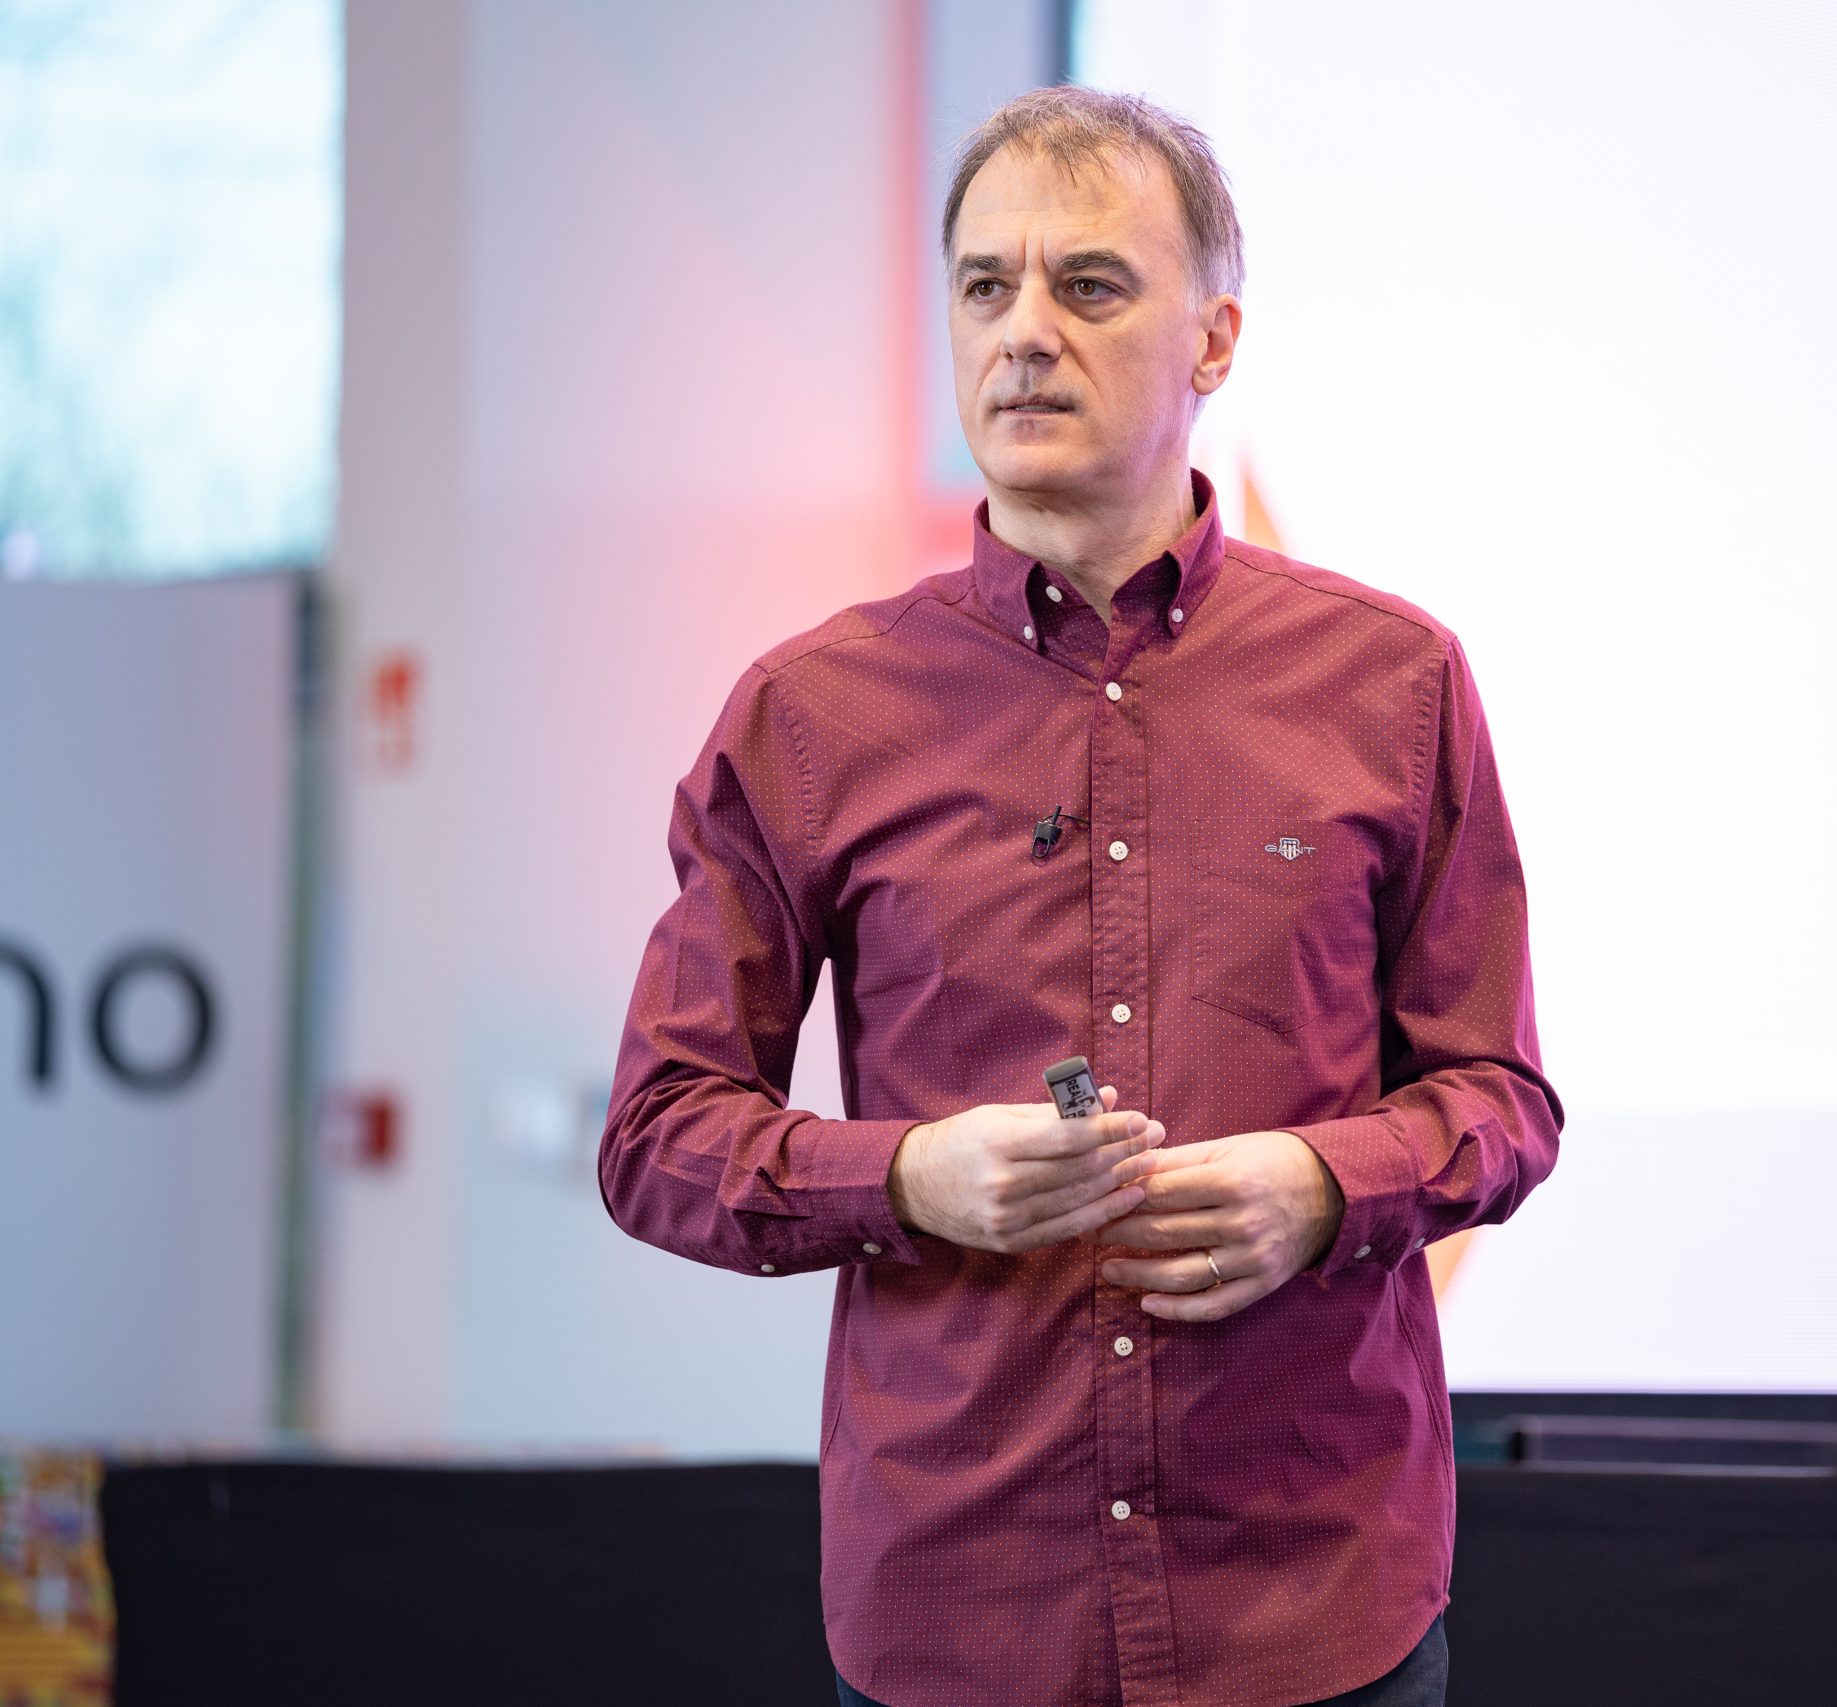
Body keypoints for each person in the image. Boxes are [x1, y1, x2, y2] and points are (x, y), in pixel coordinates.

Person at [598, 85, 1562, 1707]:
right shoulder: (811, 716)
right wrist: (907, 1177)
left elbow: (1503, 1101)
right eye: (986, 286)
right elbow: (657, 1136)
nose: (1025, 333)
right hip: (960, 1605)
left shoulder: (1393, 683)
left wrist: (1322, 1187)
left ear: (1214, 341)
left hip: (1309, 1605)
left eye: (1090, 285)